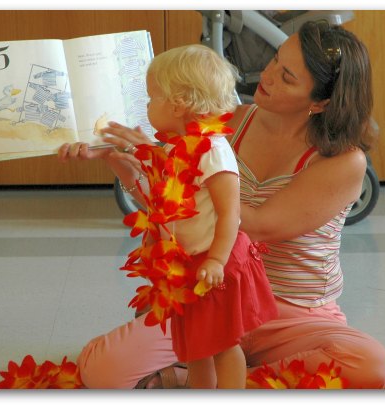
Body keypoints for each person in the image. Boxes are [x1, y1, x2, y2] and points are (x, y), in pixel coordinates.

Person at [58, 21, 385, 389]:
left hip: (290, 314)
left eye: (287, 77)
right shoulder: (229, 122)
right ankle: (232, 376)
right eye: (275, 59)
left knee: (370, 365)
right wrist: (116, 158)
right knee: (103, 370)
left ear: (321, 102)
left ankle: (209, 378)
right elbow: (174, 203)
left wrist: (166, 167)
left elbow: (258, 224)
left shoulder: (345, 162)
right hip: (210, 293)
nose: (267, 76)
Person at [63, 44, 278, 389]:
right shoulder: (174, 148)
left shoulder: (213, 150)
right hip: (189, 266)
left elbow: (230, 215)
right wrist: (112, 157)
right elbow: (159, 205)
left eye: (151, 98)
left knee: (223, 346)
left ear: (178, 103)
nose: (146, 106)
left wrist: (217, 260)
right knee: (195, 347)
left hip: (216, 265)